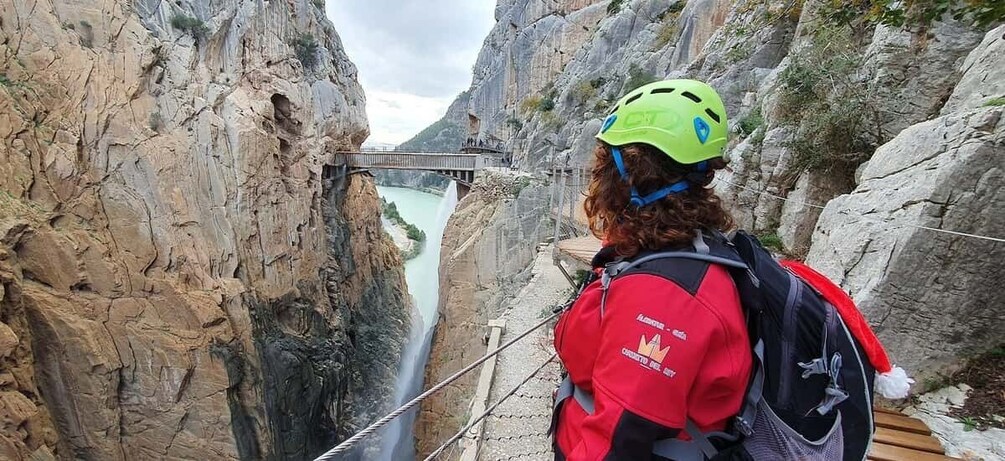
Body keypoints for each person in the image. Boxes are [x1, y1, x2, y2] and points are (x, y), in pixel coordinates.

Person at [552, 79, 752, 460]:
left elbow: (619, 441)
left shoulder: (662, 296)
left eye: (603, 163)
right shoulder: (672, 251)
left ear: (626, 176)